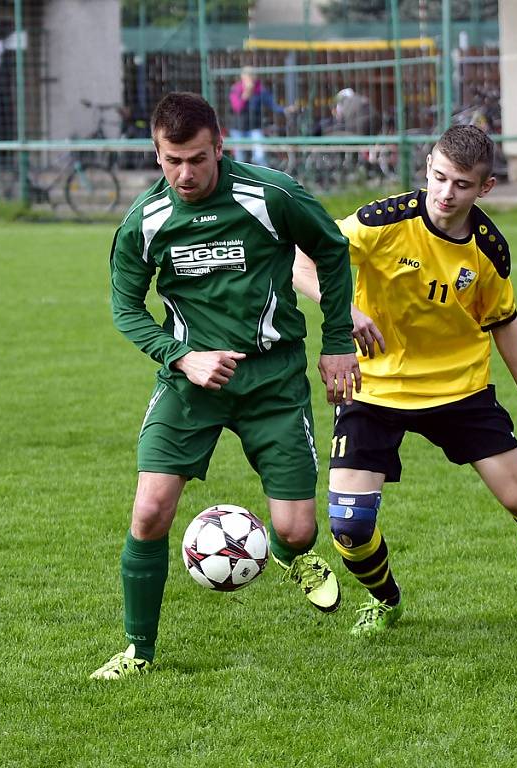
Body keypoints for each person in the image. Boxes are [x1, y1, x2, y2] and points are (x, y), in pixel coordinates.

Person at [91, 92, 360, 679]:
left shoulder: (272, 194)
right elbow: (125, 308)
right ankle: (138, 650)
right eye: (171, 161)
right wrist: (182, 357)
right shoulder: (145, 220)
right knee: (149, 512)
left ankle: (292, 557)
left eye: (196, 159)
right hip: (192, 383)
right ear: (156, 154)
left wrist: (337, 341)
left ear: (220, 146)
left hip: (274, 380)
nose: (184, 174)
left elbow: (333, 252)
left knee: (297, 529)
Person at [293, 124, 517, 636]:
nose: (446, 194)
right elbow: (301, 259)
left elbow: (505, 322)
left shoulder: (488, 250)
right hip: (374, 388)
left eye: (462, 185)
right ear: (427, 166)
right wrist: (345, 308)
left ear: (484, 188)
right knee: (349, 528)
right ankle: (386, 600)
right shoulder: (383, 222)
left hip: (459, 390)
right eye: (439, 178)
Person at [228, 66, 287, 165]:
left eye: (252, 76)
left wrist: (284, 110)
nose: (250, 78)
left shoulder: (260, 89)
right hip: (238, 127)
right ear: (242, 77)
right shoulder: (236, 89)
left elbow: (272, 104)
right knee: (240, 157)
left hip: (254, 126)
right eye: (247, 76)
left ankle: (262, 177)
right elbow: (237, 108)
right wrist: (246, 94)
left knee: (260, 155)